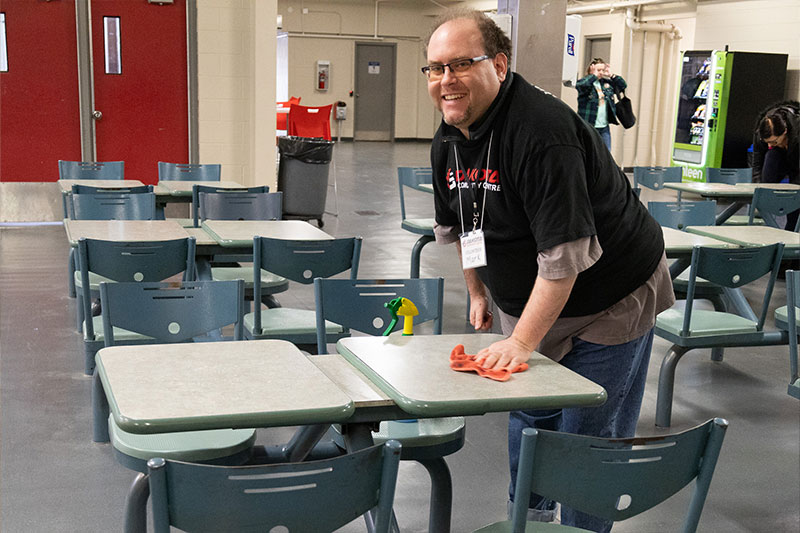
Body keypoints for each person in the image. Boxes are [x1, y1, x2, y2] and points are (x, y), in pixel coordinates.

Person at [424, 9, 674, 532]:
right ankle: (530, 522)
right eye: (435, 68)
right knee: (531, 415)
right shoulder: (450, 139)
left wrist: (519, 344)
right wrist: (479, 292)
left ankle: (583, 529)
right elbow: (467, 228)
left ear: (499, 63)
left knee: (585, 432)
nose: (445, 81)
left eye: (459, 65)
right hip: (533, 296)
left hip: (611, 293)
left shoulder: (542, 132)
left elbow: (564, 258)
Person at [750, 100, 799, 231]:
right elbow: (756, 163)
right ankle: (765, 216)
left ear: (785, 132)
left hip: (797, 158)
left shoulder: (797, 132)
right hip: (783, 154)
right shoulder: (761, 132)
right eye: (767, 142)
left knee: (796, 197)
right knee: (771, 156)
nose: (769, 145)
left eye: (773, 141)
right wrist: (758, 190)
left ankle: (791, 231)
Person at [575, 58, 628, 151]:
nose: (600, 72)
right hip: (589, 125)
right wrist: (593, 76)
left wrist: (611, 75)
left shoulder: (606, 83)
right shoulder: (585, 82)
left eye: (602, 70)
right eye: (598, 70)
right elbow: (581, 86)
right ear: (591, 69)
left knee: (606, 151)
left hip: (604, 127)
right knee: (588, 151)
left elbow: (622, 85)